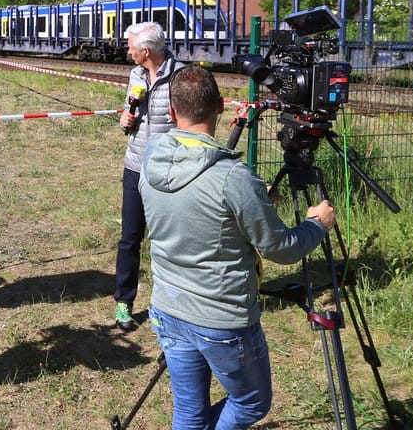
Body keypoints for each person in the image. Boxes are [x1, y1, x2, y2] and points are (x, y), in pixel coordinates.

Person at [140, 65, 336, 430]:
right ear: (220, 108)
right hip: (222, 320)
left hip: (168, 307)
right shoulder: (232, 178)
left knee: (189, 411)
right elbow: (281, 249)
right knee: (250, 404)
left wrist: (253, 203)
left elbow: (198, 210)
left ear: (170, 112)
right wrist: (317, 224)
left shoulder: (152, 155)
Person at [113, 22, 182, 331]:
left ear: (146, 51)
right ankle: (124, 303)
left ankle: (168, 306)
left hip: (169, 169)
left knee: (168, 241)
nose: (127, 51)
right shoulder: (136, 75)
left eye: (131, 47)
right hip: (136, 166)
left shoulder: (180, 76)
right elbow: (129, 122)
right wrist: (125, 119)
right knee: (130, 238)